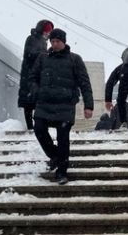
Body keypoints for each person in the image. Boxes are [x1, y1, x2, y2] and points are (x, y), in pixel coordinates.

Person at [29, 28, 93, 184]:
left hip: (65, 105)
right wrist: (36, 91)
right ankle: (56, 157)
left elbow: (84, 83)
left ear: (64, 42)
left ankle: (62, 172)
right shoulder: (43, 58)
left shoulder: (75, 59)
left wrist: (88, 105)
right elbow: (32, 77)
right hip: (44, 103)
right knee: (39, 129)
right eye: (52, 41)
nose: (54, 44)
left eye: (57, 41)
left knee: (63, 138)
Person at [17, 19, 54, 129]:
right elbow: (30, 54)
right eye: (46, 31)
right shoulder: (32, 38)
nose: (48, 33)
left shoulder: (43, 42)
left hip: (38, 74)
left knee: (37, 100)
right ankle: (30, 126)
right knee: (29, 101)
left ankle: (37, 125)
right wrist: (45, 54)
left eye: (49, 32)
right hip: (29, 74)